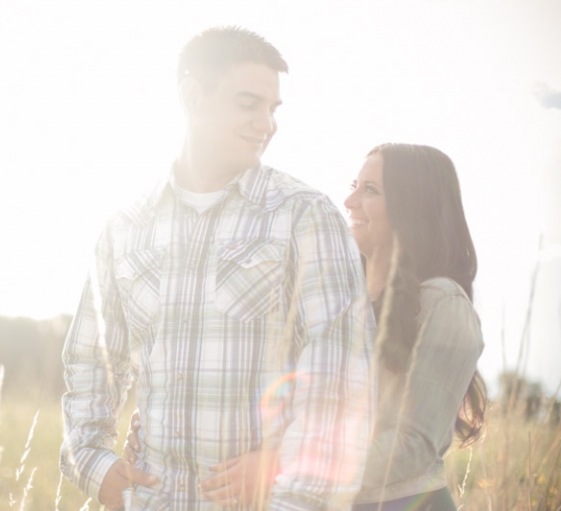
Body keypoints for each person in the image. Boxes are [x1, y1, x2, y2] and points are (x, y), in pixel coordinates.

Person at [60, 26, 376, 510]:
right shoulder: (124, 227)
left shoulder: (304, 216)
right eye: (249, 104)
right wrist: (92, 463)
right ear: (192, 96)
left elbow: (342, 378)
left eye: (273, 110)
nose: (266, 124)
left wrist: (290, 486)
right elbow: (90, 361)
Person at [125, 143, 486, 510]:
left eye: (370, 190)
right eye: (354, 185)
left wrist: (282, 466)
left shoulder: (443, 305)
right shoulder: (329, 296)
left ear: (414, 209)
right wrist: (160, 425)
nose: (349, 201)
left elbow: (413, 445)